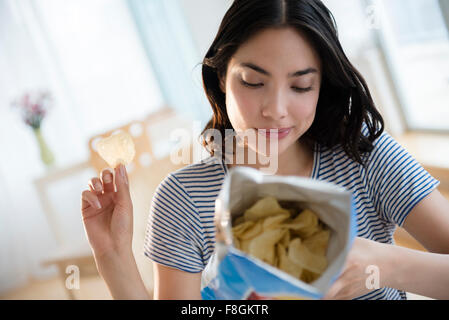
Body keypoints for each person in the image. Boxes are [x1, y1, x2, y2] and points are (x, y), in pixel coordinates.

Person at [81, 0, 449, 300]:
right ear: (222, 77)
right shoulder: (185, 199)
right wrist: (112, 257)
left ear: (323, 86)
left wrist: (384, 265)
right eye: (254, 82)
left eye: (301, 86)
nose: (275, 109)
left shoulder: (364, 154)